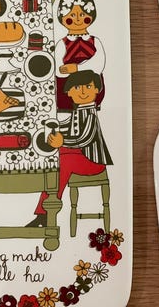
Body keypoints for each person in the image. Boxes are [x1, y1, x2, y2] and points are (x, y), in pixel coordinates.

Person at [26, 70, 112, 228]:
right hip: (81, 157)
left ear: (96, 89)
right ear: (70, 92)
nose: (83, 91)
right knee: (55, 157)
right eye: (77, 88)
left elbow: (84, 138)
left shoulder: (90, 114)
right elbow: (66, 126)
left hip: (93, 162)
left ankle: (45, 213)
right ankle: (43, 209)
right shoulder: (78, 112)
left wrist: (62, 141)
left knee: (63, 162)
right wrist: (51, 125)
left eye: (88, 87)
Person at [55, 0, 105, 111]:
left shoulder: (95, 41)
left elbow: (99, 63)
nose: (77, 19)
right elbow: (58, 69)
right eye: (72, 15)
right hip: (69, 91)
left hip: (92, 89)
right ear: (62, 18)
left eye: (82, 14)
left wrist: (76, 68)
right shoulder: (62, 43)